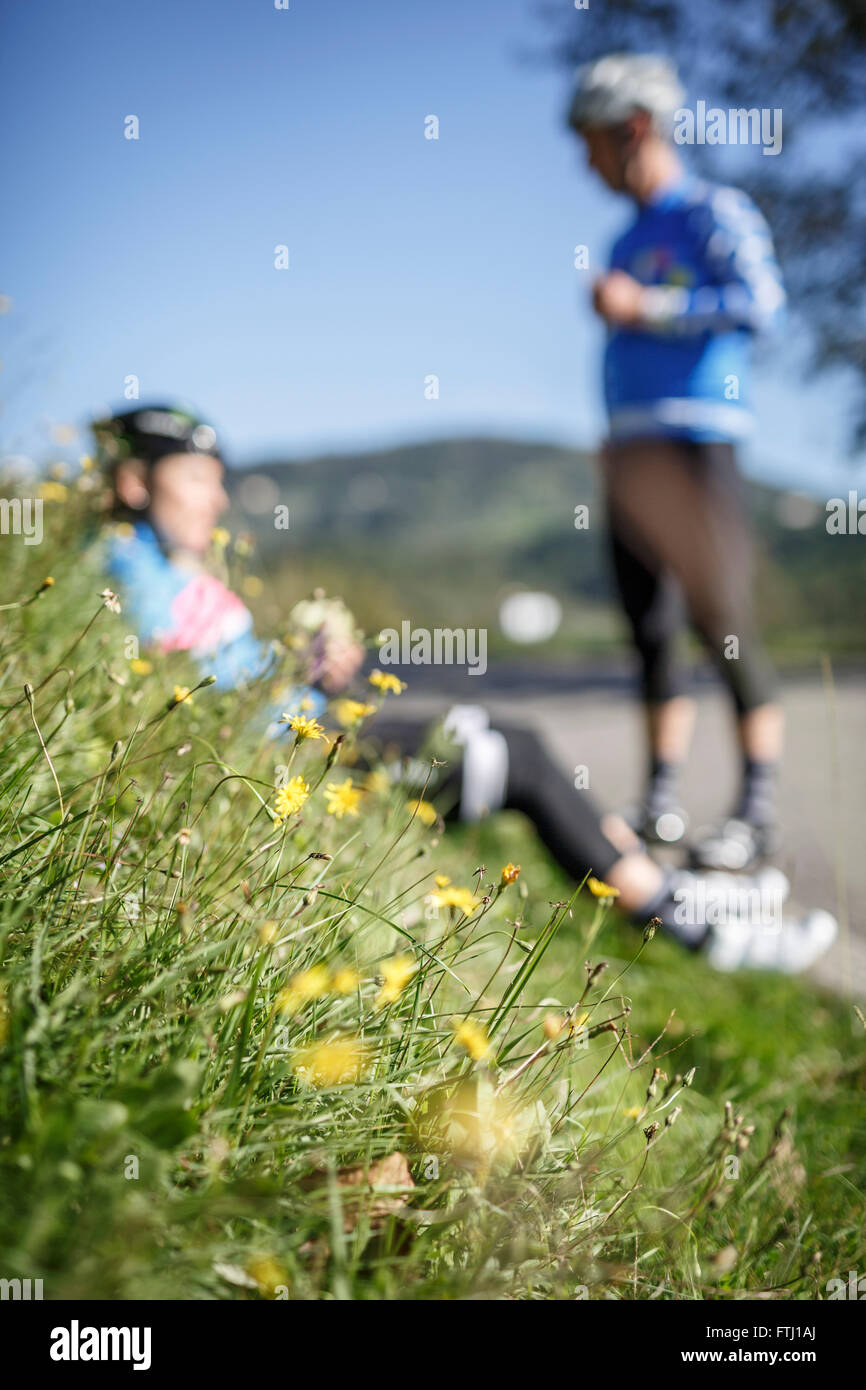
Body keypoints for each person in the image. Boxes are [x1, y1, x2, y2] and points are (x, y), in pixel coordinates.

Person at [95, 403, 836, 974]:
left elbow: (231, 678)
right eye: (197, 478)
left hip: (315, 744)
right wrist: (291, 669)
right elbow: (184, 700)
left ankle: (676, 897)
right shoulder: (121, 568)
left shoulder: (179, 568)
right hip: (285, 774)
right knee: (510, 755)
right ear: (133, 482)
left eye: (220, 481)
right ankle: (691, 927)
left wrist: (304, 663)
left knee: (511, 740)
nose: (217, 500)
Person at [568, 54, 787, 872]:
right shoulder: (624, 234)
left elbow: (762, 304)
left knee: (721, 617)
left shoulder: (710, 212)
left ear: (632, 130)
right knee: (651, 627)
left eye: (591, 142)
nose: (584, 162)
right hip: (632, 448)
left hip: (700, 439)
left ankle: (755, 809)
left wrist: (646, 305)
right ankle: (661, 804)